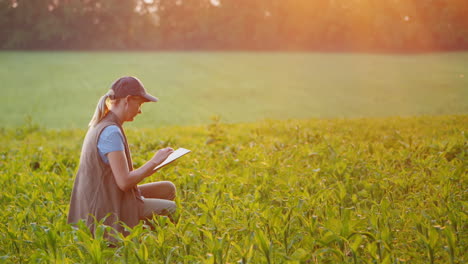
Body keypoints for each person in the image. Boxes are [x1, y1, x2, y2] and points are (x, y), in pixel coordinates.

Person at [68, 76, 176, 237]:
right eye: (139, 104)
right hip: (105, 209)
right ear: (128, 100)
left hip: (101, 200)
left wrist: (156, 163)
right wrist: (154, 161)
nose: (140, 110)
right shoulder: (111, 132)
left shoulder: (101, 124)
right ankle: (137, 242)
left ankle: (140, 235)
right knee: (171, 208)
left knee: (167, 189)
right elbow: (124, 182)